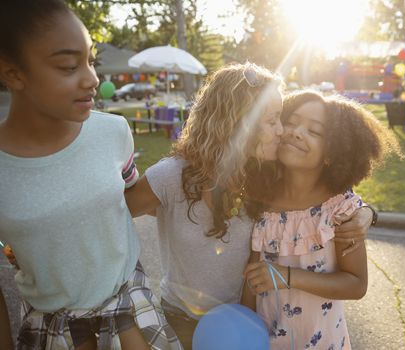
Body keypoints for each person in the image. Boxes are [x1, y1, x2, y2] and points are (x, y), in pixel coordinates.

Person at [125, 63, 375, 349]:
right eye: (273, 120)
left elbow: (321, 194)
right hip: (180, 320)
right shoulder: (171, 177)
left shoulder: (261, 180)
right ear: (239, 123)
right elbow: (109, 218)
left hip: (245, 323)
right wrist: (130, 307)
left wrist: (366, 213)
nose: (282, 131)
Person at [0, 1, 179, 349]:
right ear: (12, 73)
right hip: (55, 324)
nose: (93, 79)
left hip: (130, 306)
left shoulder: (114, 132)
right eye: (69, 66)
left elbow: (126, 197)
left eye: (91, 61)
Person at [241, 91, 402, 349]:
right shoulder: (261, 201)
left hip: (321, 342)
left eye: (314, 131)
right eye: (291, 122)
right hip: (264, 340)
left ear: (333, 152)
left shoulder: (340, 211)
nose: (296, 132)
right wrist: (242, 327)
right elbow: (253, 278)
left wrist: (288, 276)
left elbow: (356, 284)